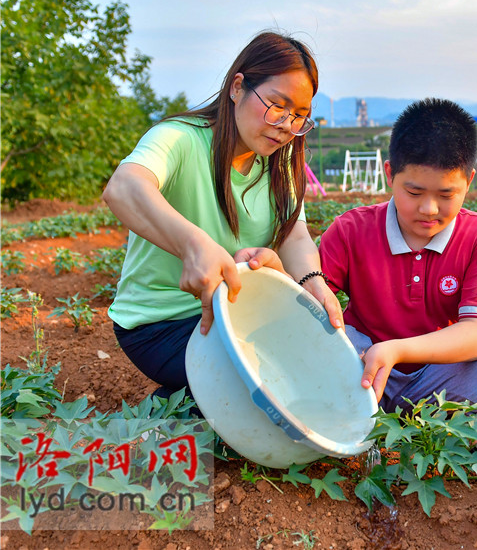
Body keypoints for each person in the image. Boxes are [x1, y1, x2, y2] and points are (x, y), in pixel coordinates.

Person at [104, 31, 342, 402]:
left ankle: (188, 400)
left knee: (319, 373)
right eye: (277, 106)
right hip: (163, 322)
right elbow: (123, 187)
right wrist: (193, 245)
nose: (286, 126)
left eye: (300, 117)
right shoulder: (179, 139)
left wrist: (312, 280)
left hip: (235, 312)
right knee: (267, 392)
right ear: (237, 87)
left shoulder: (277, 164)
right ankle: (167, 414)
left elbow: (293, 233)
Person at [319, 98, 477, 413]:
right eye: (414, 193)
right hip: (363, 365)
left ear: (469, 182)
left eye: (446, 195)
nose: (429, 209)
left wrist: (396, 350)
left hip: (439, 375)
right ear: (389, 174)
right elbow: (308, 304)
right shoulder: (350, 230)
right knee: (322, 351)